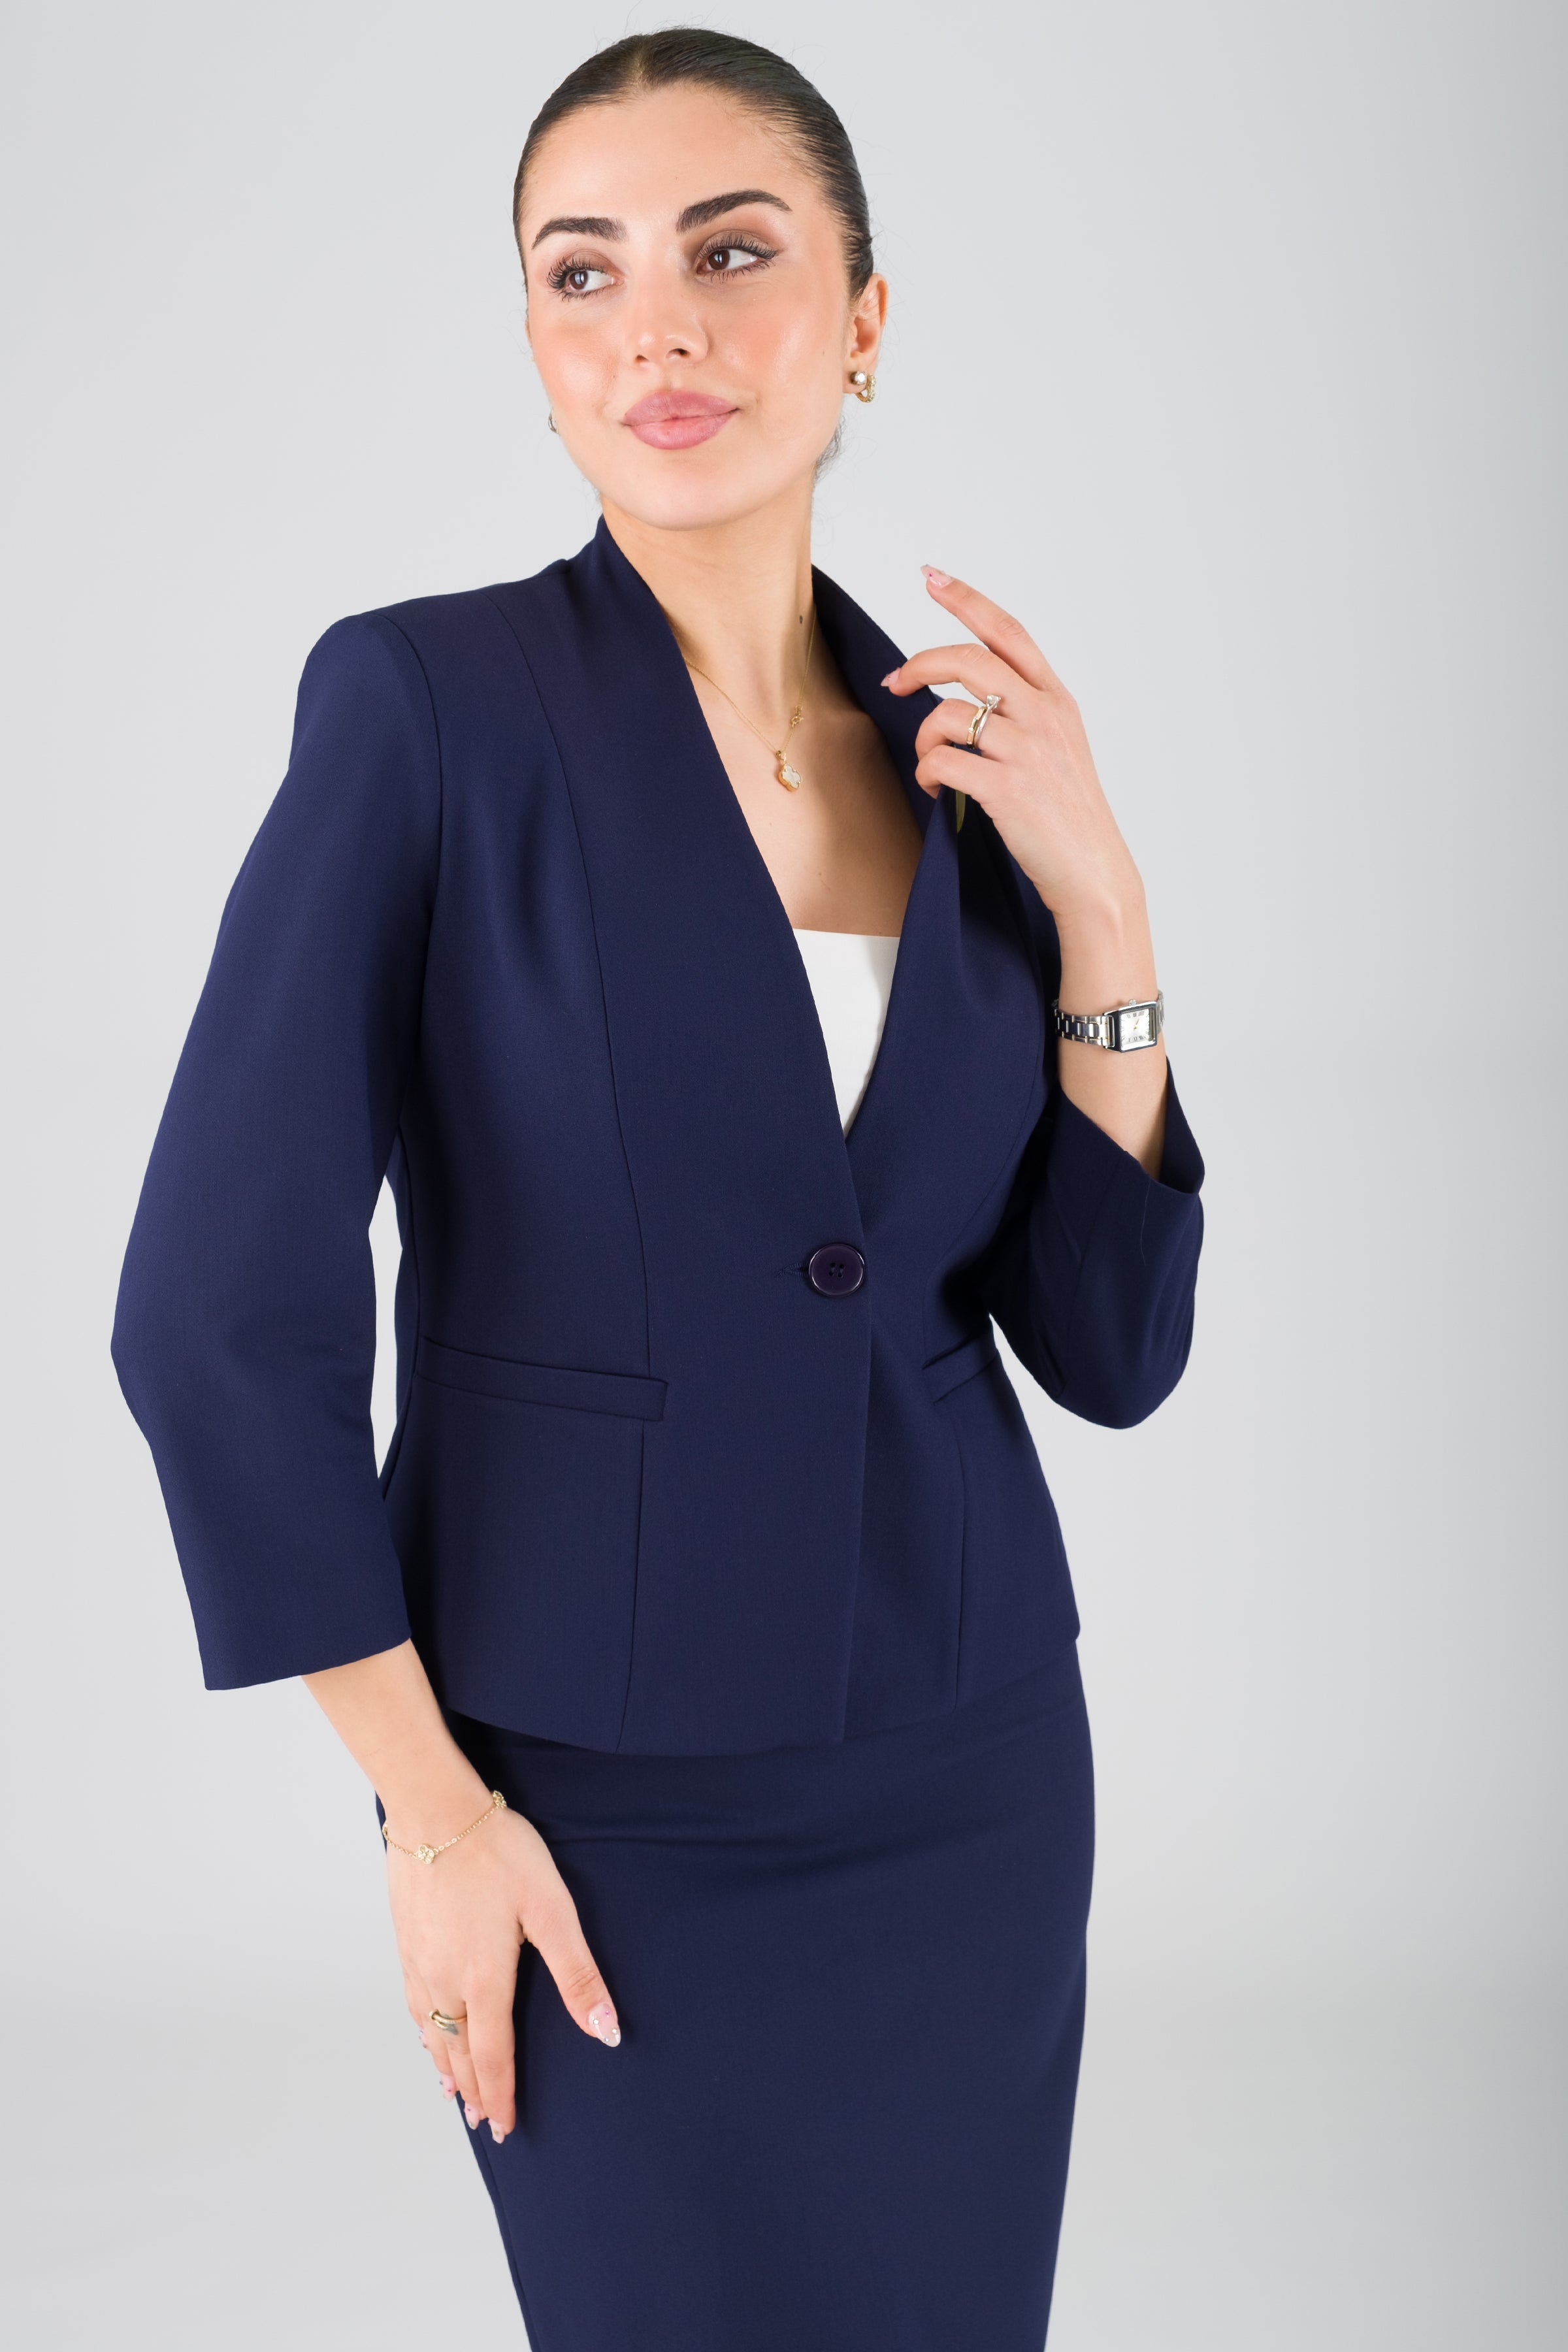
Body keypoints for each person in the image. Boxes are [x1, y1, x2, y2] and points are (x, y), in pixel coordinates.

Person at [112, 28, 1204, 2349]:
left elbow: (1108, 1351)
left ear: (866, 318)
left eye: (732, 253)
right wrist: (432, 1813)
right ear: (533, 343)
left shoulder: (967, 771)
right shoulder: (426, 711)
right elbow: (214, 1315)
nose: (657, 332)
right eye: (582, 272)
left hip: (969, 1769)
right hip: (588, 1803)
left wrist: (1103, 908)